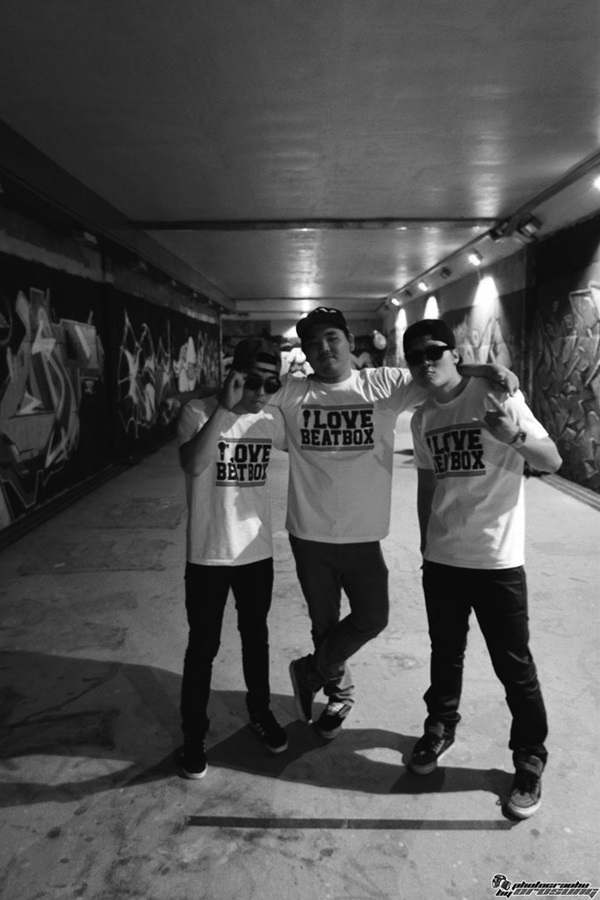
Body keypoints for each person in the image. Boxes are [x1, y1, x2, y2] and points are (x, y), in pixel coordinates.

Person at [269, 307, 518, 742]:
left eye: (332, 338)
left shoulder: (382, 384)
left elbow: (436, 371)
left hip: (365, 536)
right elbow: (245, 392)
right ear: (304, 352)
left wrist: (486, 368)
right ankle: (339, 694)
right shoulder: (293, 393)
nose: (324, 349)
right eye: (313, 343)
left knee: (372, 617)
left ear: (350, 342)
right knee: (324, 624)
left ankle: (308, 671)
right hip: (309, 534)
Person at [403, 318, 561, 819]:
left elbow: (552, 460)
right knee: (445, 654)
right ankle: (439, 727)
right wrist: (426, 546)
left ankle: (529, 756)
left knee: (513, 665)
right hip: (443, 560)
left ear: (455, 353)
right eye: (414, 356)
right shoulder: (422, 418)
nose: (425, 362)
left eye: (434, 352)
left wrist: (513, 435)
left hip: (496, 560)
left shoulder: (496, 394)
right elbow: (428, 485)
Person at [176, 337, 288, 779]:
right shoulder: (199, 412)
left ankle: (260, 712)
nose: (261, 393)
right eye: (252, 382)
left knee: (255, 638)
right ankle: (193, 735)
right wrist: (224, 408)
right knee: (203, 646)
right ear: (234, 376)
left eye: (271, 384)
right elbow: (193, 464)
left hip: (255, 552)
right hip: (208, 554)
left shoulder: (271, 419)